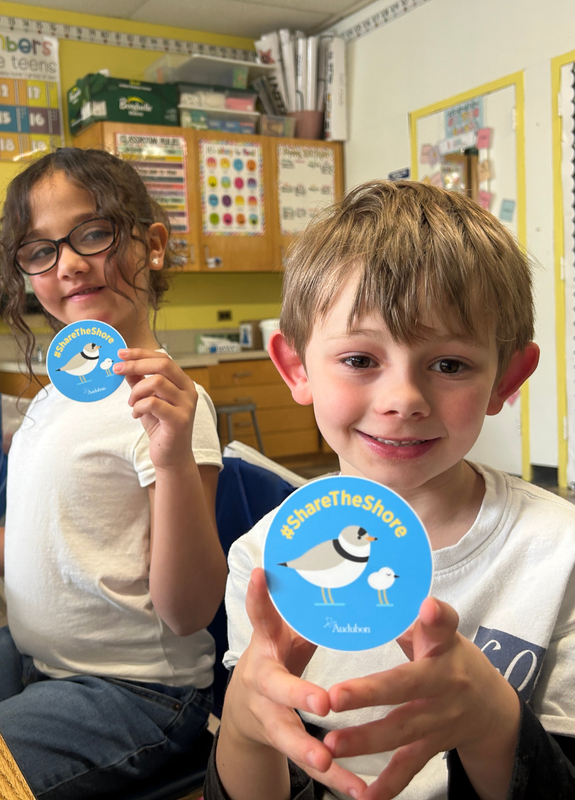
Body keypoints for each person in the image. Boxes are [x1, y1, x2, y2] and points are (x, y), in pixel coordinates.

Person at [206, 180, 575, 800]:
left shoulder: (560, 555)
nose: (403, 399)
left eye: (449, 364)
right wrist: (245, 728)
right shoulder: (263, 561)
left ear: (505, 379)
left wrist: (493, 723)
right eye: (359, 359)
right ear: (297, 367)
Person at [0, 147, 226, 799]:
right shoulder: (54, 400)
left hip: (136, 691)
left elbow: (188, 612)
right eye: (40, 250)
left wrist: (174, 458)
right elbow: (43, 545)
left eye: (92, 234)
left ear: (152, 245)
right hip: (32, 655)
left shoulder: (173, 409)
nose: (67, 263)